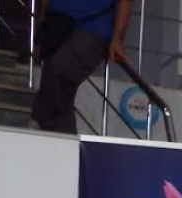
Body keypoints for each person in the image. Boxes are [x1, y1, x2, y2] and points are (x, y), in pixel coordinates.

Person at [31, 0, 131, 134]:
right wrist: (41, 29)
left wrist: (117, 40)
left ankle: (42, 121)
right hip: (56, 24)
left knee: (59, 70)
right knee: (61, 91)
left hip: (93, 28)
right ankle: (65, 143)